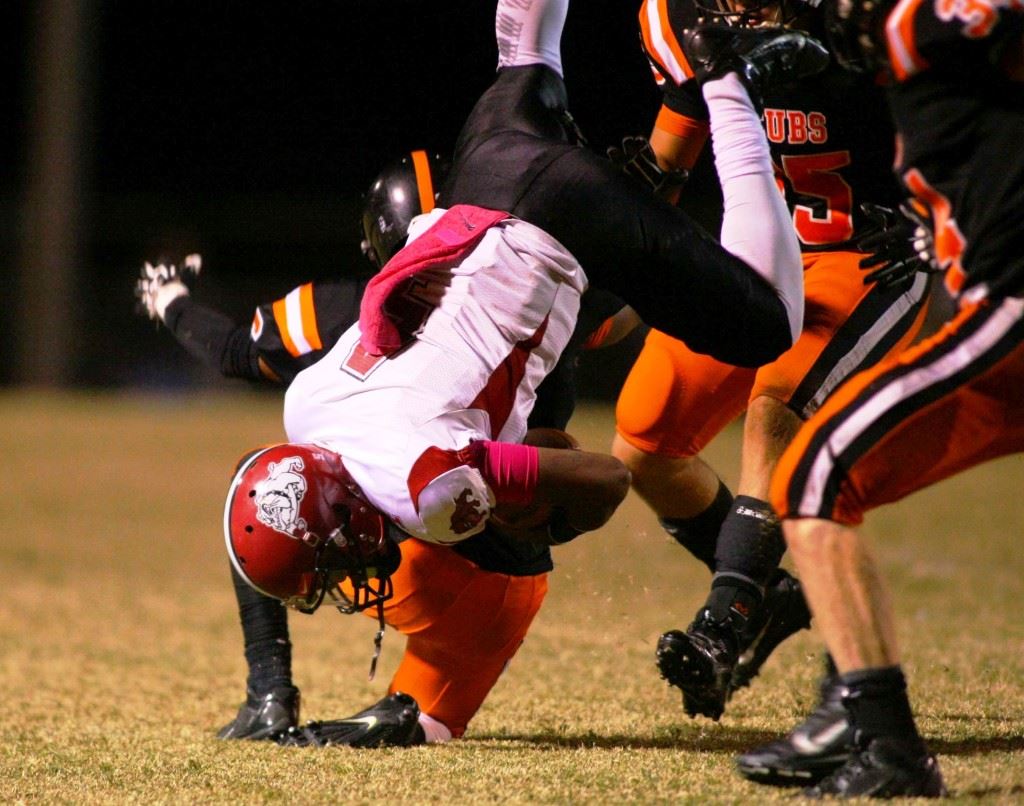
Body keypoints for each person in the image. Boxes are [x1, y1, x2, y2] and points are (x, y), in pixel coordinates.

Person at [222, 0, 830, 743]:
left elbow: (604, 481)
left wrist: (529, 502)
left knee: (768, 321)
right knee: (524, 52)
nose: (336, 583)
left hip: (563, 223)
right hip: (482, 178)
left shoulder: (431, 495)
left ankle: (725, 74)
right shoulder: (305, 406)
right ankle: (700, 77)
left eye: (328, 565)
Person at [136, 150, 634, 746]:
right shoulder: (533, 292)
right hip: (490, 567)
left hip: (426, 533)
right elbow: (622, 318)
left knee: (265, 486)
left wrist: (169, 301)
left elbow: (238, 353)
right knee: (424, 720)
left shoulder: (349, 314)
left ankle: (268, 694)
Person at [610, 0, 934, 761]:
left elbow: (968, 106)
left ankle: (725, 623)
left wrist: (934, 212)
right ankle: (769, 596)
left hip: (872, 254)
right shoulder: (678, 17)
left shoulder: (870, 15)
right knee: (643, 441)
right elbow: (671, 153)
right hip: (764, 255)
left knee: (773, 412)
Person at [752, 0, 1024, 796]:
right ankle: (850, 705)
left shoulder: (924, 21)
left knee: (813, 474)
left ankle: (886, 741)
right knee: (831, 479)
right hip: (993, 319)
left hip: (1011, 316)